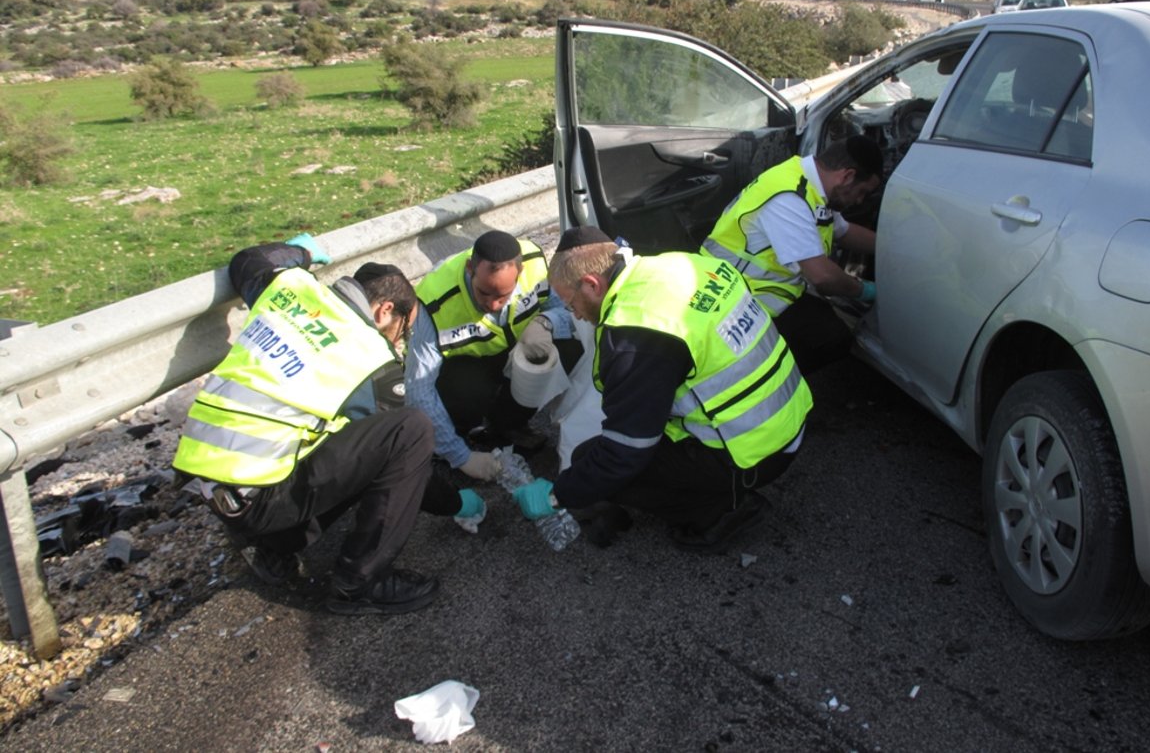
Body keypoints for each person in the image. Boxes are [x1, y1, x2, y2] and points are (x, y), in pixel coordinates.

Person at [173, 233, 478, 615]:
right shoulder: (373, 363)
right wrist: (454, 503)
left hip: (209, 477)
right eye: (405, 328)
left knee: (325, 437)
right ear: (385, 310)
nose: (401, 341)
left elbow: (248, 260)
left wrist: (302, 253)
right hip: (259, 498)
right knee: (409, 430)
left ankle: (272, 549)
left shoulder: (292, 290)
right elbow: (400, 463)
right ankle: (359, 582)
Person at [509, 226, 812, 551]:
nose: (578, 315)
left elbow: (624, 452)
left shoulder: (636, 331)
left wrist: (559, 494)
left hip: (752, 453)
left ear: (592, 285)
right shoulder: (679, 264)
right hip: (788, 417)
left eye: (571, 304)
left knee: (595, 459)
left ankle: (721, 512)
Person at [700, 136, 883, 373]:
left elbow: (844, 232)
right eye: (862, 192)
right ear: (847, 176)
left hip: (760, 289)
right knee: (830, 337)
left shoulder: (810, 185)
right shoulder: (789, 196)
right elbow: (823, 278)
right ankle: (759, 376)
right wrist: (865, 291)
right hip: (734, 298)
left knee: (826, 322)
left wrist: (891, 250)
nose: (860, 201)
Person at [405, 230, 576, 480]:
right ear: (470, 269)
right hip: (465, 370)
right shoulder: (434, 301)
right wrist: (460, 456)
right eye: (484, 292)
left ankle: (508, 425)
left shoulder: (534, 265)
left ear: (520, 273)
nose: (494, 305)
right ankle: (454, 438)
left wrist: (546, 321)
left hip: (514, 350)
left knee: (567, 347)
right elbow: (418, 390)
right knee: (468, 390)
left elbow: (569, 312)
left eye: (503, 294)